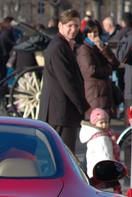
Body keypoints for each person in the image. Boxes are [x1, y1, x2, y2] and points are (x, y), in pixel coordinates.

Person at [38, 9, 90, 153]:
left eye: (76, 26)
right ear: (60, 26)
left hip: (61, 113)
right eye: (69, 26)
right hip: (60, 114)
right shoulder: (58, 48)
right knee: (62, 157)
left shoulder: (63, 45)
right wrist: (86, 107)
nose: (73, 30)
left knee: (60, 157)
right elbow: (69, 83)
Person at [77, 19, 120, 118]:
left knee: (106, 126)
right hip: (94, 94)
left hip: (105, 93)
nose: (93, 35)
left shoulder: (100, 47)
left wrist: (103, 49)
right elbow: (91, 70)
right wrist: (108, 70)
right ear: (86, 34)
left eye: (95, 32)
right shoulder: (85, 50)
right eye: (90, 32)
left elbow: (115, 63)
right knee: (98, 123)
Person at [80, 108, 121, 192]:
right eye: (101, 122)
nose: (104, 125)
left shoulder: (98, 135)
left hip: (95, 170)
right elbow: (105, 154)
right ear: (95, 124)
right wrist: (110, 166)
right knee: (113, 186)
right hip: (103, 169)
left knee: (97, 189)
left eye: (106, 122)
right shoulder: (101, 138)